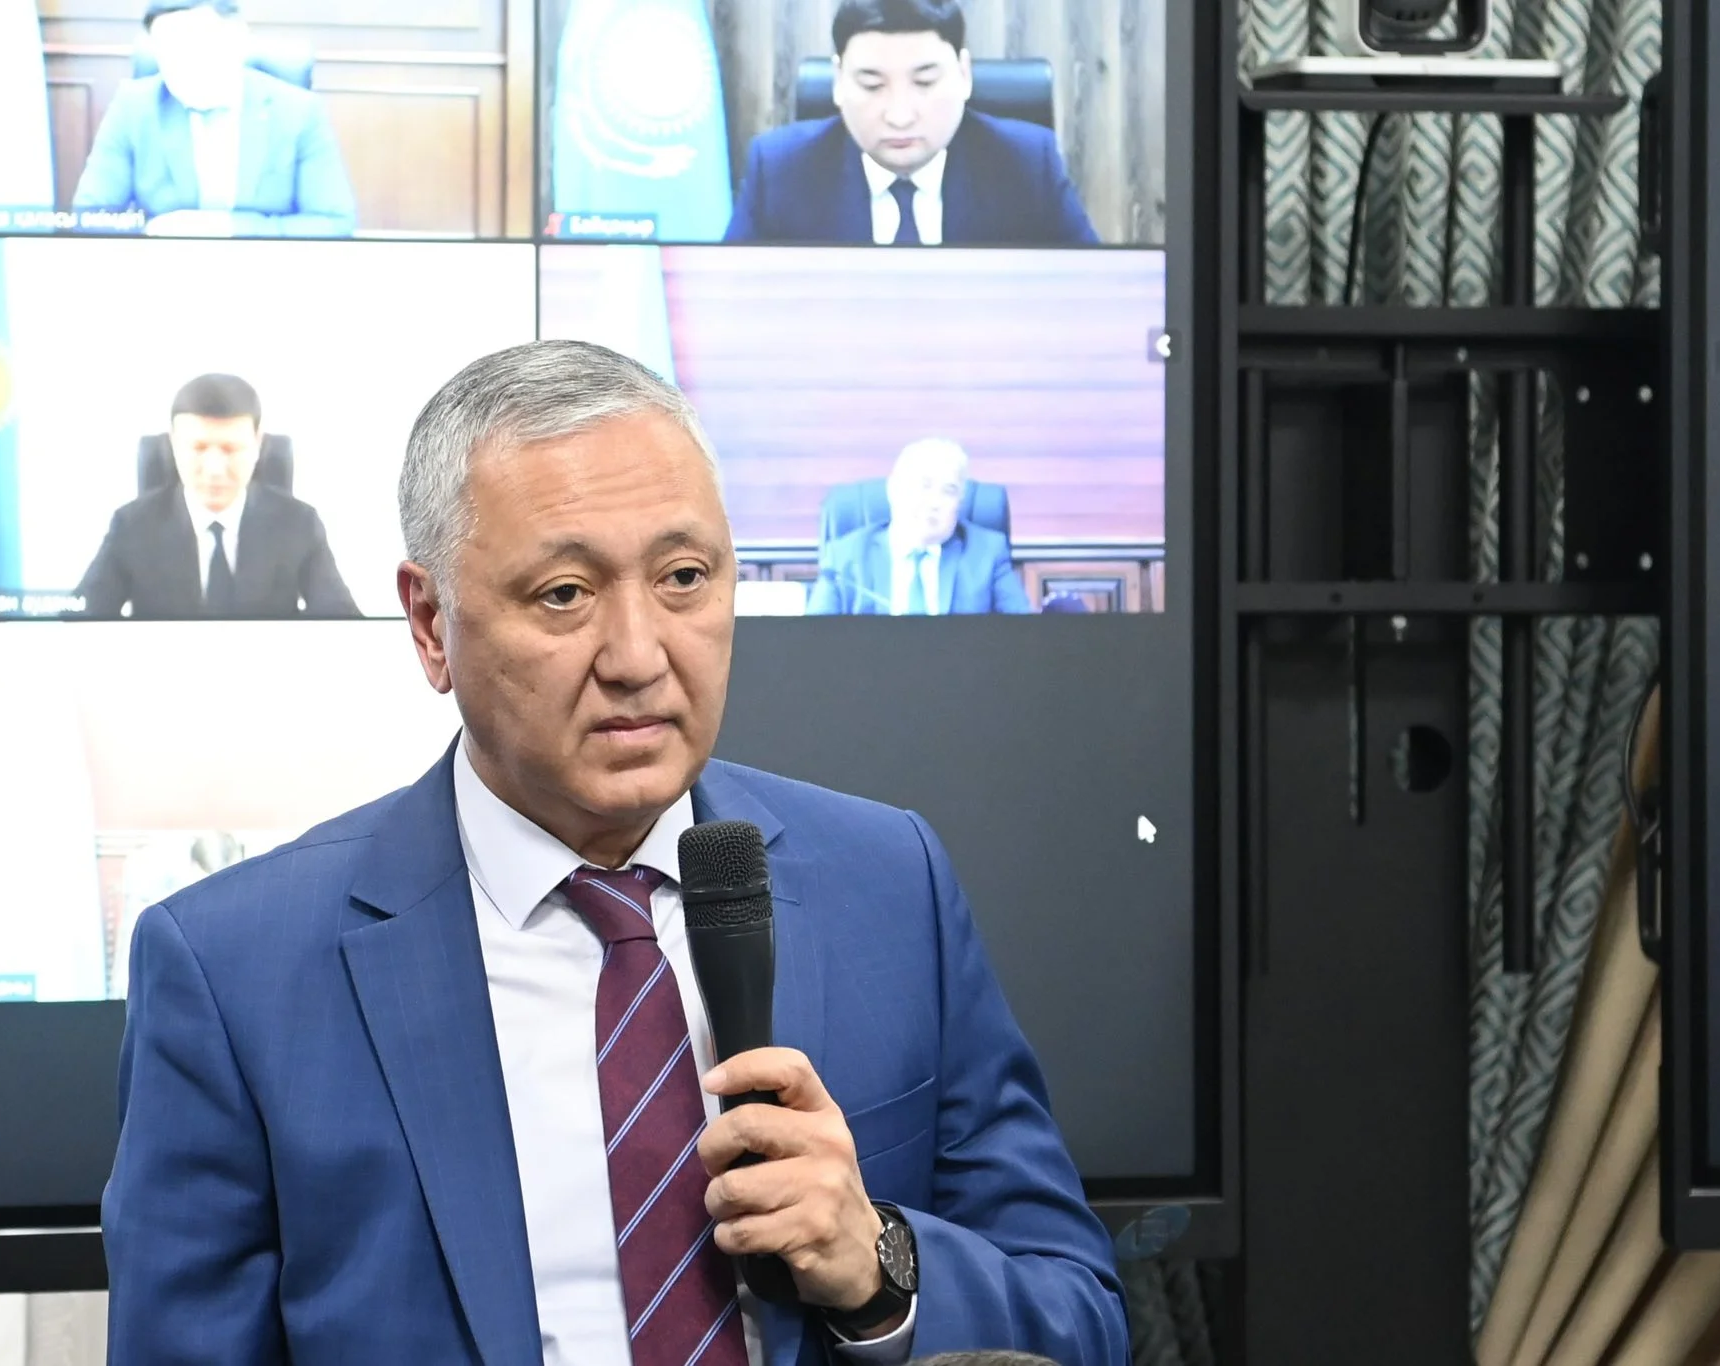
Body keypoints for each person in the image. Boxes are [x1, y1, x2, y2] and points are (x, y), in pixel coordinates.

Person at [103, 340, 1128, 1364]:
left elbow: (1078, 1319)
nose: (639, 657)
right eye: (563, 594)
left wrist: (876, 1265)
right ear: (430, 623)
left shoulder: (888, 884)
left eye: (683, 578)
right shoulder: (236, 973)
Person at [722, 0, 1097, 247]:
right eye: (872, 85)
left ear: (964, 75)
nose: (900, 115)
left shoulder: (1027, 165)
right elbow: (727, 309)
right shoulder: (780, 171)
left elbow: (1093, 298)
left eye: (925, 82)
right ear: (838, 81)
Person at [73, 373, 357, 619]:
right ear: (173, 443)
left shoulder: (299, 523)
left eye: (230, 449)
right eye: (198, 448)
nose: (214, 469)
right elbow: (79, 619)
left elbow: (344, 621)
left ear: (258, 443)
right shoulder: (132, 525)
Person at [72, 0, 355, 238]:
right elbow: (88, 217)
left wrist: (229, 228)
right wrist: (152, 230)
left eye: (197, 41)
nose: (183, 60)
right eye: (167, 46)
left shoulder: (299, 111)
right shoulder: (133, 106)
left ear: (238, 37)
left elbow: (334, 223)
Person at [808, 438, 1033, 616]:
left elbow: (1023, 638)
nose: (935, 502)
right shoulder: (845, 558)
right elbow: (814, 642)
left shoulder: (987, 554)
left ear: (960, 503)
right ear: (894, 490)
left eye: (949, 491)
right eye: (924, 486)